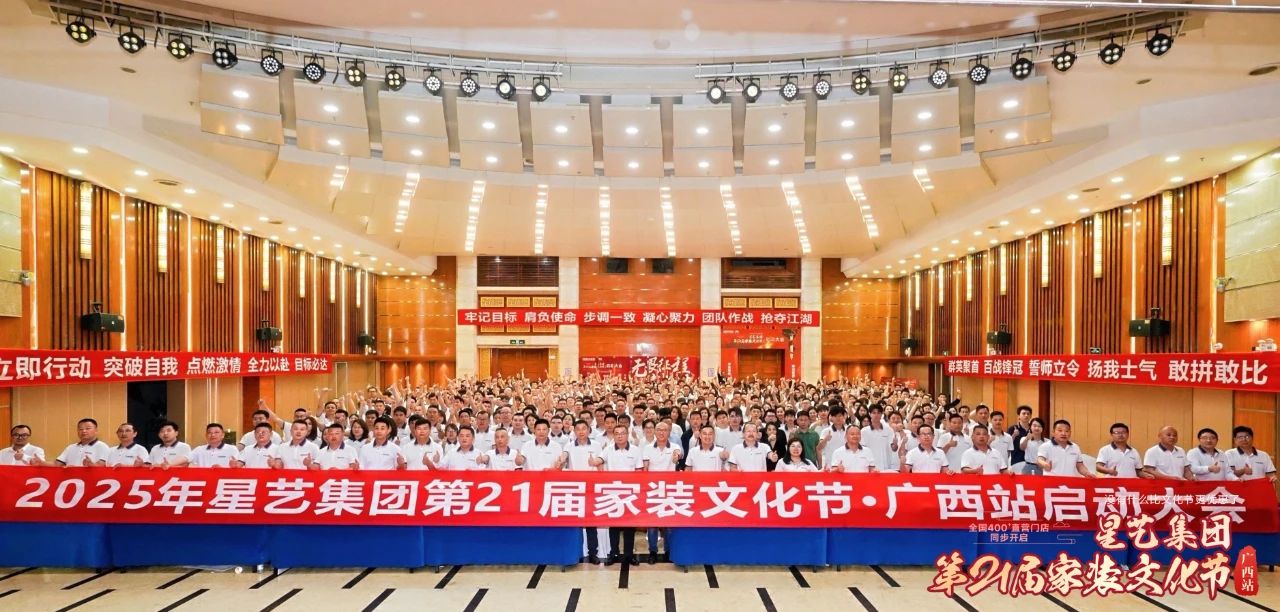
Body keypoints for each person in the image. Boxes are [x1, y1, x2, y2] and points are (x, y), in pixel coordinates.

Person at [594, 425, 642, 566]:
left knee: (629, 527)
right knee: (614, 526)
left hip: (630, 494)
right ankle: (613, 553)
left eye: (622, 433)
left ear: (627, 435)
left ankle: (629, 555)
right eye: (617, 434)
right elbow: (599, 460)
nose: (620, 436)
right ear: (614, 436)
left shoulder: (635, 450)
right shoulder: (608, 449)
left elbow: (639, 471)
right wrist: (594, 462)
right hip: (613, 493)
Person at [564, 419, 602, 565]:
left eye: (583, 428)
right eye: (578, 429)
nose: (581, 431)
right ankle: (578, 553)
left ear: (588, 430)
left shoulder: (597, 445)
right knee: (576, 523)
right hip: (575, 489)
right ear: (574, 431)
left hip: (592, 488)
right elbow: (563, 458)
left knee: (591, 523)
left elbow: (600, 465)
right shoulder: (569, 446)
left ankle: (593, 553)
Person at [644, 422, 681, 564]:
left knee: (668, 523)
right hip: (652, 490)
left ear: (669, 432)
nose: (661, 432)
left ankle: (668, 551)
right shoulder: (647, 448)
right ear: (654, 431)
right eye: (658, 429)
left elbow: (678, 454)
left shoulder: (675, 447)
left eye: (664, 430)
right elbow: (645, 468)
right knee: (652, 524)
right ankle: (652, 551)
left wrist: (676, 457)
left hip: (669, 490)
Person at [860, 405, 894, 472]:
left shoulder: (889, 430)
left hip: (886, 465)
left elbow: (893, 448)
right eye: (874, 413)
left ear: (882, 414)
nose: (876, 415)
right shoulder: (864, 431)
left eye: (878, 413)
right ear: (870, 414)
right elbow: (862, 450)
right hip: (870, 467)